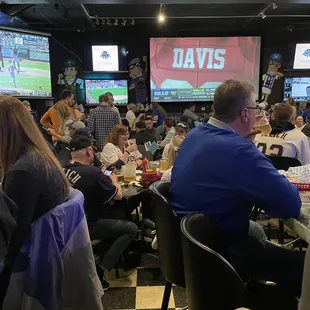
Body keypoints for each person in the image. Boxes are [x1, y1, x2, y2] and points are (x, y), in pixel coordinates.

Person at [170, 80, 304, 295]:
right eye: (255, 109)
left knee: (256, 232)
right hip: (221, 254)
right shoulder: (240, 150)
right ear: (244, 114)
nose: (257, 114)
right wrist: (250, 150)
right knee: (305, 266)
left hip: (188, 248)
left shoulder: (195, 135)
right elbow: (290, 204)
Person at [0, 96, 69, 301]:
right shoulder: (42, 158)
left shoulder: (23, 172)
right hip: (47, 260)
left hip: (22, 271)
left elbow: (10, 244)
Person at [62, 135, 138, 290]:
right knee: (131, 228)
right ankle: (101, 267)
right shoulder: (93, 173)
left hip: (63, 226)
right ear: (89, 151)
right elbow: (118, 195)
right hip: (88, 225)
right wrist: (115, 181)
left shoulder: (61, 169)